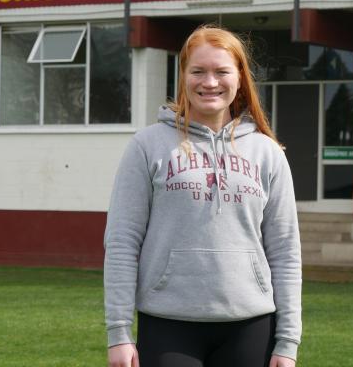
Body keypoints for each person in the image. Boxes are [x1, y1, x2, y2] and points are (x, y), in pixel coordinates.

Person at [104, 25, 302, 367]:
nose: (209, 82)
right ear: (183, 76)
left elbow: (285, 252)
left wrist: (287, 342)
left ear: (240, 78)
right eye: (198, 71)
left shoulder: (268, 153)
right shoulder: (147, 146)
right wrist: (119, 332)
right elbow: (122, 243)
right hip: (168, 324)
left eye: (221, 71)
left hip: (251, 325)